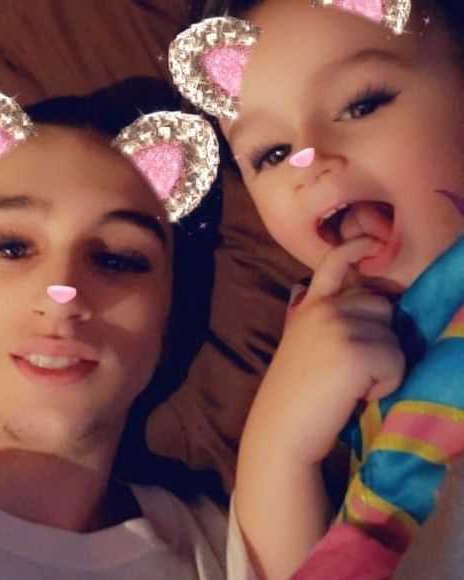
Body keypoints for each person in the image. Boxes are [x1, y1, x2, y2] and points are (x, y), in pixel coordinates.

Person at [0, 84, 255, 579]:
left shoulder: (236, 545)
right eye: (11, 248)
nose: (63, 293)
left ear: (166, 323)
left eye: (118, 259)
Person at [169, 1, 464, 578]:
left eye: (362, 104)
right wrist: (279, 441)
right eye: (271, 154)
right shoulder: (327, 340)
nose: (308, 158)